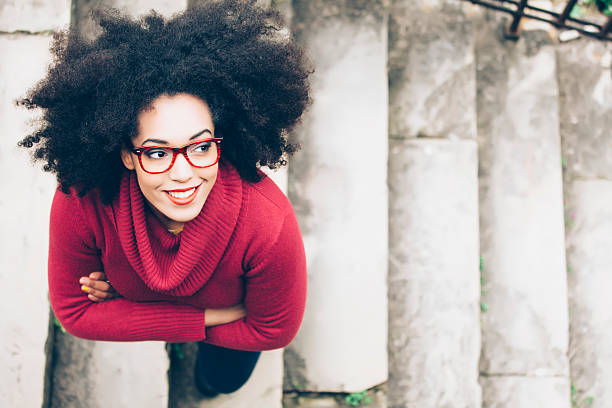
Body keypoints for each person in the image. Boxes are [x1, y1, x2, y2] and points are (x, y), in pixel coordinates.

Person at [19, 0, 310, 396]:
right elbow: (75, 313)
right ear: (126, 153)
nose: (184, 172)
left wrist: (129, 303)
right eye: (157, 153)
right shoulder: (83, 197)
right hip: (227, 313)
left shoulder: (267, 224)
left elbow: (271, 329)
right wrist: (208, 316)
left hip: (231, 341)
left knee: (223, 380)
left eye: (201, 147)